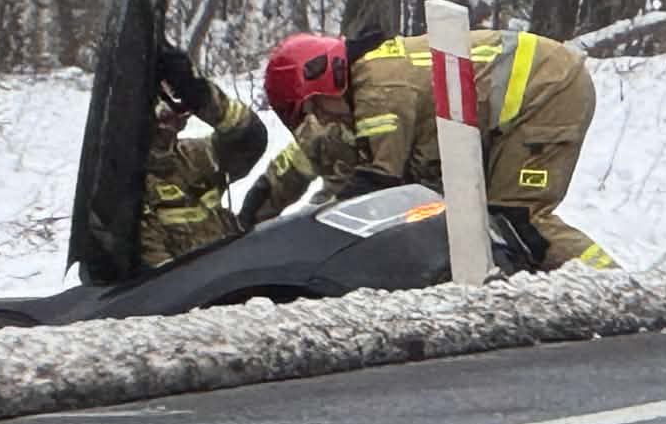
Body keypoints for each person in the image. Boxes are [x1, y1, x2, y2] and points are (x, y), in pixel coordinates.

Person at [244, 27, 615, 271]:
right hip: (517, 106)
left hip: (546, 90)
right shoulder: (365, 93)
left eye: (317, 108)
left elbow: (376, 185)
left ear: (326, 78)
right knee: (484, 221)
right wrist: (251, 223)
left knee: (518, 219)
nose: (324, 119)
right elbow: (308, 160)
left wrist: (317, 236)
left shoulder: (379, 84)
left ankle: (613, 288)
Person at [138, 44, 269, 268]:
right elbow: (159, 283)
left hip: (241, 279)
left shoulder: (195, 157)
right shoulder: (128, 189)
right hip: (199, 297)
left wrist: (201, 95)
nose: (180, 117)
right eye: (166, 106)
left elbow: (249, 139)